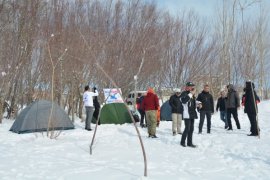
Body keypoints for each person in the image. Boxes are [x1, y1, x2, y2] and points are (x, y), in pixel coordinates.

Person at [180, 82, 201, 148]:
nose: (192, 88)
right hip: (187, 114)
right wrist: (191, 93)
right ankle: (182, 142)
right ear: (187, 87)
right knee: (187, 128)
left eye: (192, 86)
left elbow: (194, 101)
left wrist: (199, 103)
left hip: (192, 113)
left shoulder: (192, 95)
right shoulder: (184, 93)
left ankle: (189, 143)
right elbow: (184, 101)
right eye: (190, 86)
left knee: (191, 129)